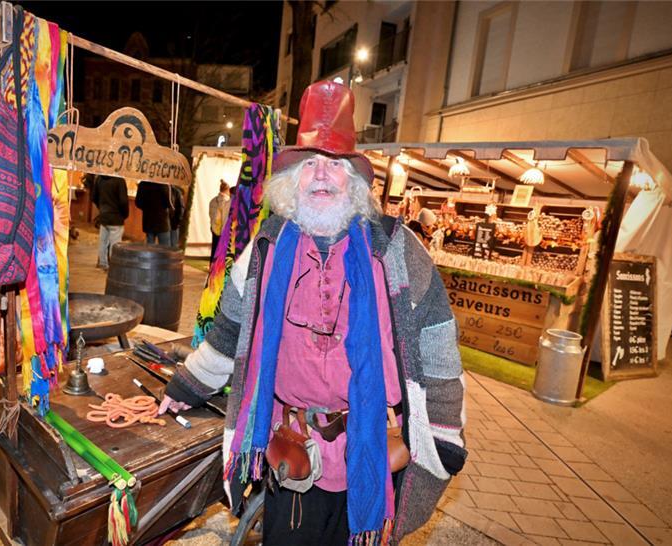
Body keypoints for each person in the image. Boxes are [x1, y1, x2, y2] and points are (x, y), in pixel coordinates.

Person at [159, 81, 466, 545]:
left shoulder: (399, 252)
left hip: (371, 447)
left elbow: (439, 349)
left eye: (335, 164)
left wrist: (443, 433)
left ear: (355, 181)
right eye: (309, 164)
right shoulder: (264, 250)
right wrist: (187, 385)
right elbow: (228, 333)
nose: (321, 175)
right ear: (292, 181)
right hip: (293, 447)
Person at [91, 175, 129, 270]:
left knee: (103, 242)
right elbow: (124, 201)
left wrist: (101, 208)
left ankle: (102, 263)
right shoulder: (119, 180)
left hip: (104, 215)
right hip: (116, 217)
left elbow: (94, 197)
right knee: (115, 244)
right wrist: (124, 215)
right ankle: (113, 266)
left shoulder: (99, 178)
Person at [135, 180, 171, 245]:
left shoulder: (143, 184)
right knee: (165, 247)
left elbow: (138, 203)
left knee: (150, 247)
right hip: (162, 221)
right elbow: (170, 204)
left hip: (148, 220)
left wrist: (146, 208)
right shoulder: (164, 184)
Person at [208, 180, 230, 261]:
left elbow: (210, 214)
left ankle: (212, 266)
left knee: (214, 249)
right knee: (222, 253)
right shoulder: (228, 201)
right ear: (227, 190)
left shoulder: (212, 200)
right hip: (224, 230)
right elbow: (227, 217)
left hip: (214, 228)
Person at [169, 184, 185, 249]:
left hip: (173, 222)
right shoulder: (175, 191)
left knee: (173, 244)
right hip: (168, 223)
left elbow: (181, 208)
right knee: (170, 244)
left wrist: (178, 221)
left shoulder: (176, 191)